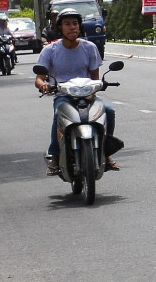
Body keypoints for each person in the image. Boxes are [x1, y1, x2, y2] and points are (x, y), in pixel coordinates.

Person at [35, 9, 115, 175]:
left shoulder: (90, 48)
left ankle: (106, 152)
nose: (72, 27)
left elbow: (95, 78)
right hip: (64, 96)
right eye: (67, 24)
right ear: (60, 28)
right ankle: (55, 157)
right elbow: (39, 78)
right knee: (58, 116)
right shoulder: (50, 50)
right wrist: (43, 85)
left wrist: (93, 91)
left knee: (108, 110)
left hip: (88, 95)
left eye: (75, 23)